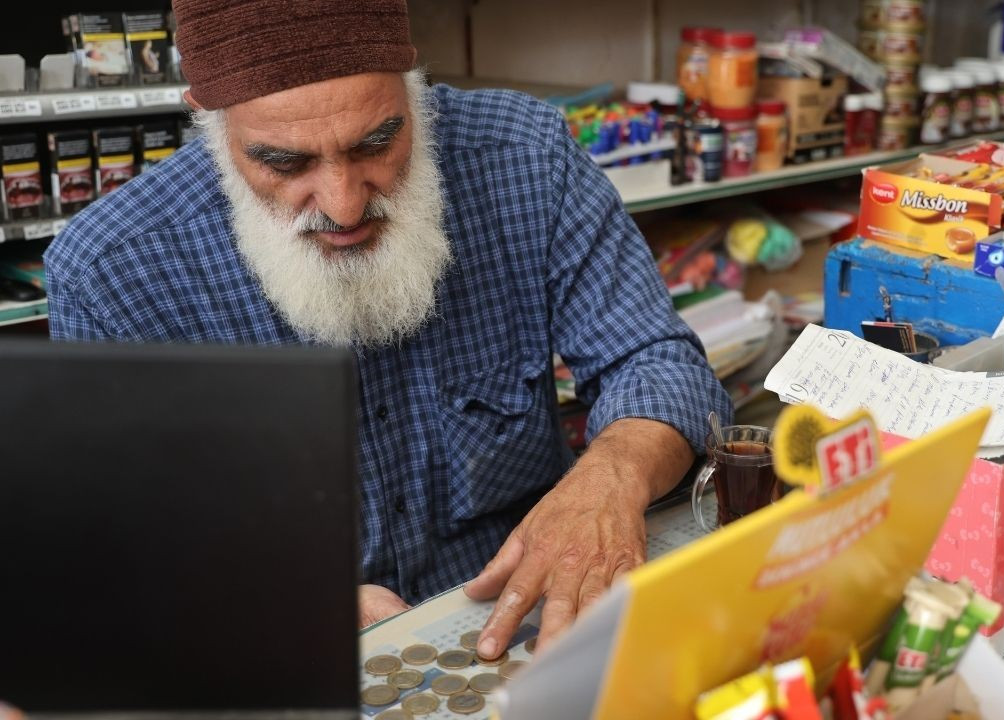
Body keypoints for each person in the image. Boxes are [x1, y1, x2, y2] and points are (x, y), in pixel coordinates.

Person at [44, 0, 731, 661]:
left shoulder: (525, 155)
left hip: (529, 627)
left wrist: (609, 479)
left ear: (414, 87)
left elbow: (657, 361)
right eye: (285, 163)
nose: (344, 206)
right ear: (210, 121)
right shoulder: (112, 272)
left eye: (379, 141)